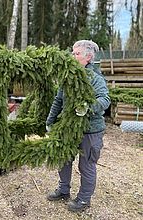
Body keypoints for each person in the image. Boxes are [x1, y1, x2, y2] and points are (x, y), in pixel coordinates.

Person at [46, 40, 111, 212]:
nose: (73, 56)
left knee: (86, 165)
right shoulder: (67, 77)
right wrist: (50, 121)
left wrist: (88, 108)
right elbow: (58, 100)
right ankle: (63, 190)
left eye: (77, 54)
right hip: (69, 128)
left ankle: (83, 199)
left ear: (88, 57)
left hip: (90, 131)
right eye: (72, 53)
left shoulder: (95, 78)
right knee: (64, 159)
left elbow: (105, 99)